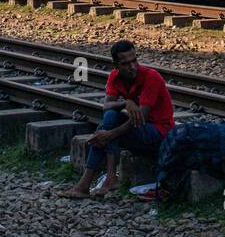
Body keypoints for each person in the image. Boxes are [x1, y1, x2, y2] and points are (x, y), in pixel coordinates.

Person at [61, 41, 175, 200]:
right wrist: (125, 102)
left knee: (108, 129)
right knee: (111, 117)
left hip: (159, 133)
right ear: (115, 65)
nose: (133, 66)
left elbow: (140, 118)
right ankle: (108, 179)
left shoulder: (151, 77)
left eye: (134, 60)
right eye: (126, 63)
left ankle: (88, 183)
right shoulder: (115, 77)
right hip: (139, 131)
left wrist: (109, 134)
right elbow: (106, 106)